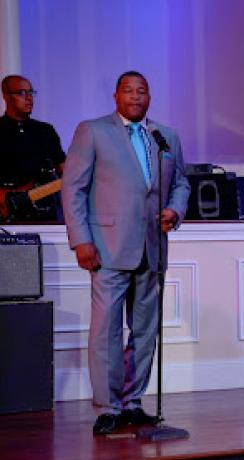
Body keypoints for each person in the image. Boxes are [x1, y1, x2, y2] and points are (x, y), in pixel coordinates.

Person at [61, 71, 190, 435]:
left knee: (145, 331)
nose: (135, 97)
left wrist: (175, 210)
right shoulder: (93, 131)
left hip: (151, 247)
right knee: (106, 332)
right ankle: (108, 407)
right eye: (128, 90)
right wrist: (80, 240)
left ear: (150, 97)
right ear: (116, 95)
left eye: (142, 91)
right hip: (106, 248)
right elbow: (73, 189)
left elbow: (180, 182)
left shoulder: (165, 137)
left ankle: (132, 402)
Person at [0, 75, 65, 221]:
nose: (29, 98)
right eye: (22, 93)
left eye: (31, 92)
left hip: (45, 217)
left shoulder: (45, 131)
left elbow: (64, 170)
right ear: (6, 96)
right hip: (7, 221)